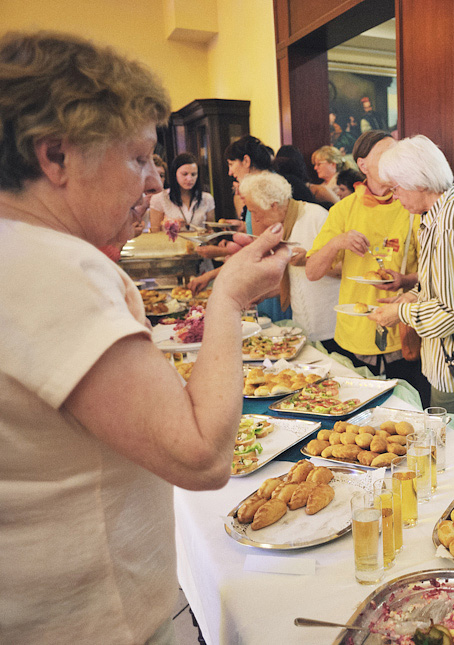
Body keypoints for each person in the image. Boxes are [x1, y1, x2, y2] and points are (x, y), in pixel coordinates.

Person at [0, 31, 290, 643]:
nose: (155, 184)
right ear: (54, 157)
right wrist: (231, 295)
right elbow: (203, 454)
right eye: (137, 158)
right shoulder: (51, 269)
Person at [368, 136, 454, 422]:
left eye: (396, 187)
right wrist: (412, 294)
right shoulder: (447, 211)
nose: (395, 195)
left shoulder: (450, 226)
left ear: (420, 182)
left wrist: (399, 312)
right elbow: (443, 284)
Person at [305, 130, 430, 405]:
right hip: (355, 333)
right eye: (386, 154)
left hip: (404, 332)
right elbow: (312, 271)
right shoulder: (343, 210)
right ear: (362, 165)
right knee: (356, 417)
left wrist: (405, 279)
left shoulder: (413, 205)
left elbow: (437, 273)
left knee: (412, 414)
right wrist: (338, 242)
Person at [237, 172, 341, 347]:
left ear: (274, 205)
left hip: (329, 324)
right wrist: (263, 295)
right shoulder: (284, 225)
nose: (255, 219)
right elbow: (295, 278)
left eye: (255, 212)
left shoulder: (316, 217)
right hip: (303, 323)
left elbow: (342, 269)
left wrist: (307, 260)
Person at [148, 152, 215, 232]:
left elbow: (210, 231)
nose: (189, 179)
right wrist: (168, 225)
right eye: (184, 174)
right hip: (170, 243)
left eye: (193, 174)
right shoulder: (159, 198)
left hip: (201, 243)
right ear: (175, 174)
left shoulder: (207, 198)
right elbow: (155, 234)